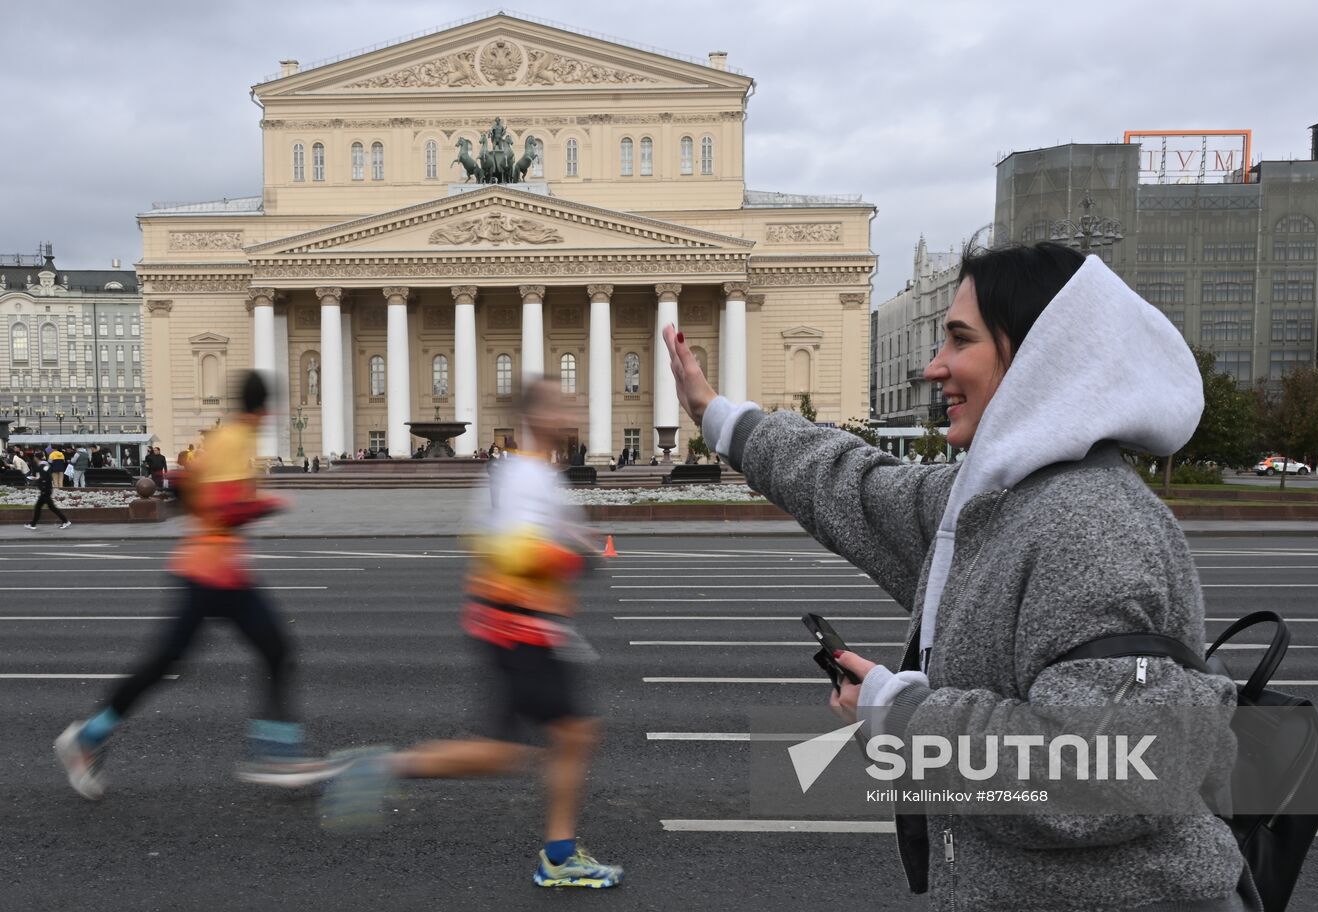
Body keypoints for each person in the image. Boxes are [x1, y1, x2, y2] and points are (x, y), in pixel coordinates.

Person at [661, 243, 1257, 911]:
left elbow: (1102, 774)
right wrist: (721, 417)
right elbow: (856, 488)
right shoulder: (1001, 505)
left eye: (960, 339)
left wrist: (900, 715)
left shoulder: (1091, 524)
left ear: (1040, 357)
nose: (933, 366)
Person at [322, 378, 622, 890]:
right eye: (561, 402)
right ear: (536, 416)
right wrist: (573, 555)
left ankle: (382, 766)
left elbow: (495, 540)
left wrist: (572, 543)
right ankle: (558, 857)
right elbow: (510, 549)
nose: (573, 408)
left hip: (509, 624)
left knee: (514, 748)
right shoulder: (527, 476)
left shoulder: (521, 474)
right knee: (563, 739)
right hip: (520, 627)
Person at [55, 371, 337, 800]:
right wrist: (268, 503)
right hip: (212, 574)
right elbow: (225, 510)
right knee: (261, 654)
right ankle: (275, 755)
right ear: (266, 409)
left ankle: (90, 737)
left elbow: (192, 490)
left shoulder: (225, 439)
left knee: (220, 657)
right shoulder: (237, 440)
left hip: (216, 571)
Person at [24, 455, 72, 531]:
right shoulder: (46, 466)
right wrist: (38, 479)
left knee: (49, 508)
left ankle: (65, 521)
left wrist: (38, 482)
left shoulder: (42, 467)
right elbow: (45, 477)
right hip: (46, 490)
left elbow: (44, 479)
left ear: (36, 458)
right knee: (41, 507)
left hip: (45, 491)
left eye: (35, 458)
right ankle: (33, 524)